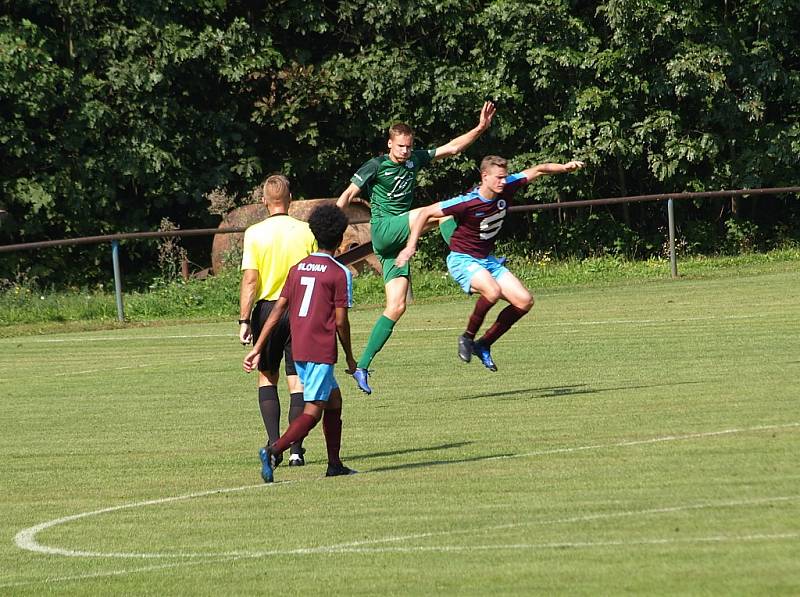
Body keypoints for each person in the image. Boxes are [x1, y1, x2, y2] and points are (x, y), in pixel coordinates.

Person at [337, 101, 497, 394]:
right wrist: (332, 226)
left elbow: (452, 148)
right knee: (444, 212)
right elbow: (348, 194)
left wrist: (480, 127)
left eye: (409, 147)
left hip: (394, 245)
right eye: (400, 146)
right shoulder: (376, 165)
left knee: (396, 307)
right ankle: (470, 259)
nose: (405, 152)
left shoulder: (414, 160)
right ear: (389, 143)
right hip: (385, 230)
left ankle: (361, 366)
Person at [396, 155, 585, 371]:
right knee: (492, 291)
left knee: (524, 301)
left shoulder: (507, 186)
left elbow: (539, 169)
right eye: (498, 178)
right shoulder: (466, 202)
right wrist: (411, 246)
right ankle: (467, 337)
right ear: (484, 177)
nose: (503, 182)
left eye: (505, 177)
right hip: (462, 259)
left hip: (487, 261)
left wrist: (564, 167)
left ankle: (483, 344)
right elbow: (426, 213)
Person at [243, 204, 358, 483]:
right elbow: (341, 322)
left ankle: (334, 464)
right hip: (319, 348)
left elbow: (279, 309)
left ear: (315, 234)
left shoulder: (298, 268)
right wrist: (351, 358)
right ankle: (273, 451)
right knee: (314, 410)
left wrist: (258, 347)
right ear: (341, 237)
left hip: (302, 345)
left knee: (334, 400)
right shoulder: (338, 272)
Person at [239, 174, 316, 467]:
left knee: (266, 377)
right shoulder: (306, 230)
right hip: (300, 309)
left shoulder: (254, 233)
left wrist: (244, 320)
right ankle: (296, 449)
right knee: (298, 382)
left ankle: (274, 445)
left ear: (263, 201)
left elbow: (250, 280)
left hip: (267, 311)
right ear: (290, 200)